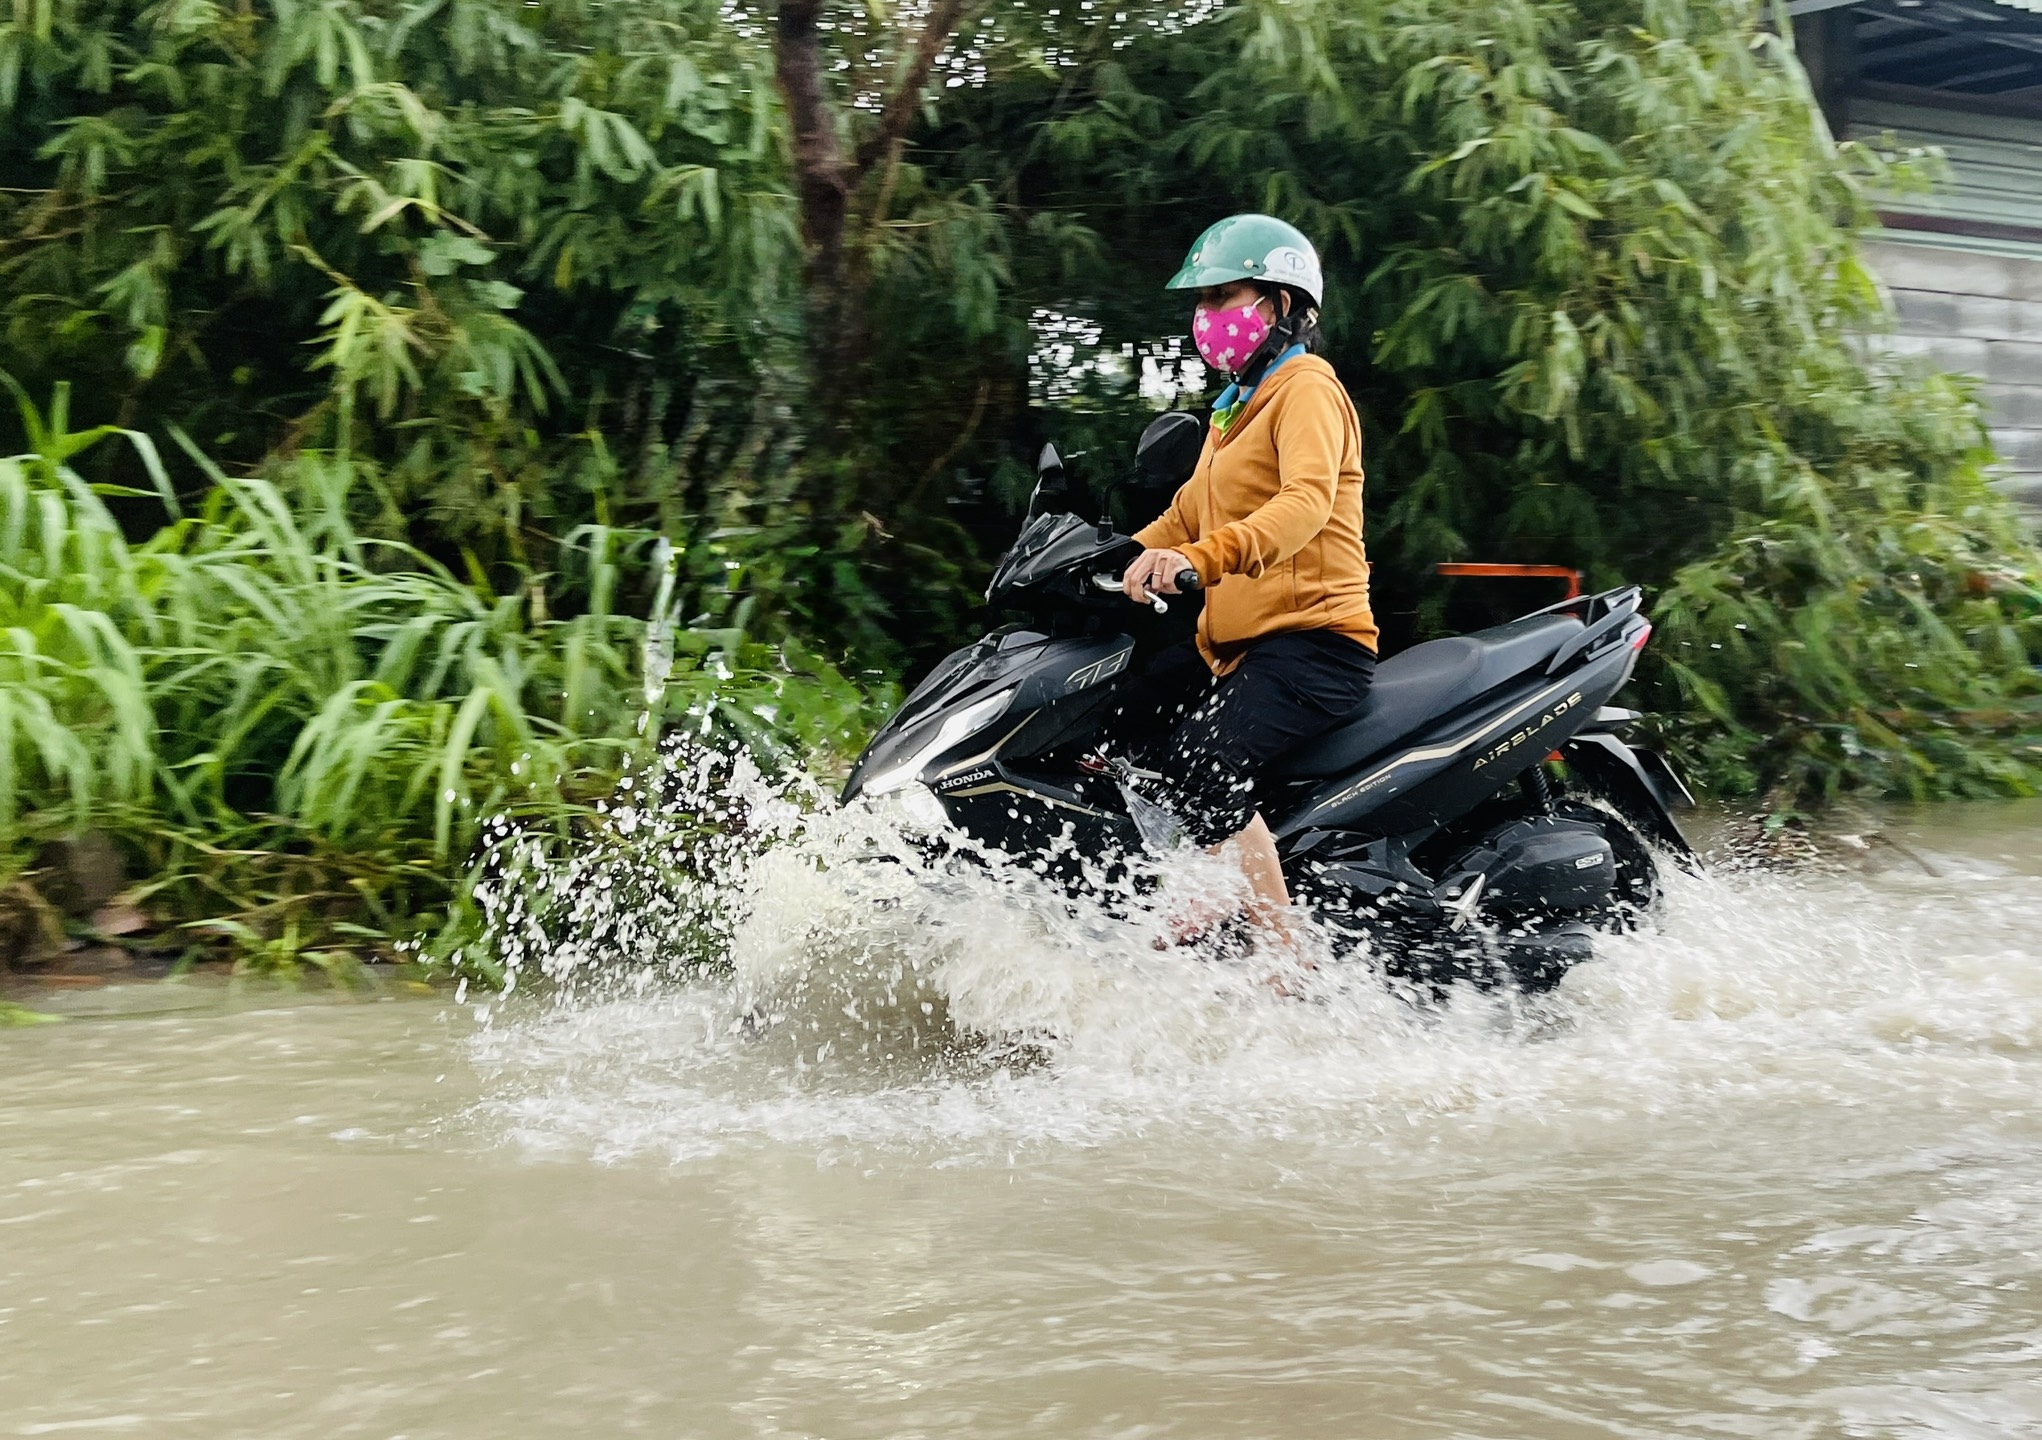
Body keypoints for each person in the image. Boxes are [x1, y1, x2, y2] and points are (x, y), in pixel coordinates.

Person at [1112, 214, 1378, 945]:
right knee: (1124, 720)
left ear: (1282, 305)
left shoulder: (1307, 390)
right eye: (1202, 303)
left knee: (1201, 761)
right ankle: (1205, 884)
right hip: (1239, 648)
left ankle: (1281, 953)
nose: (1206, 317)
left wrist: (1200, 561)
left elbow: (1303, 505)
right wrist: (1099, 559)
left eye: (1224, 297)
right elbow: (1185, 513)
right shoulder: (1235, 410)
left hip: (1314, 645)